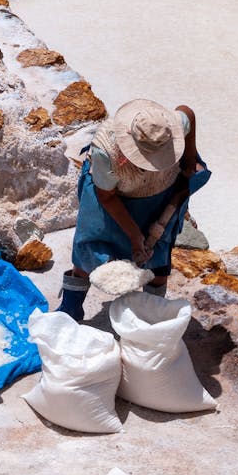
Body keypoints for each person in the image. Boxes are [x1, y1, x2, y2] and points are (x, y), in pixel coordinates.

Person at [57, 98, 211, 321]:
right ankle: (71, 308)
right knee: (89, 250)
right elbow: (106, 197)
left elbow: (188, 112)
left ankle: (151, 313)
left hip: (160, 194)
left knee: (158, 257)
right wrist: (135, 237)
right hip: (110, 197)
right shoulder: (105, 150)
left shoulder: (169, 127)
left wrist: (188, 157)